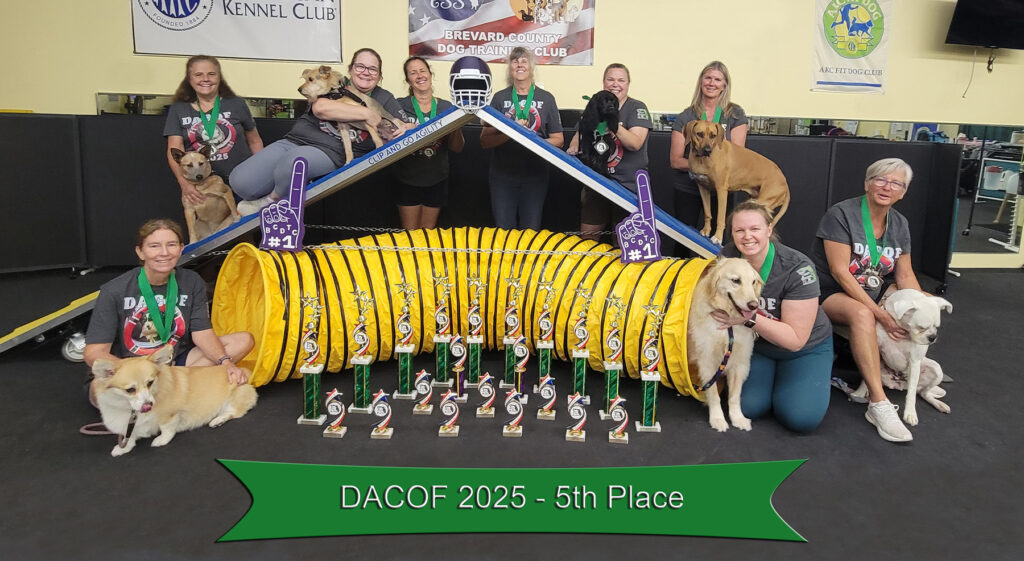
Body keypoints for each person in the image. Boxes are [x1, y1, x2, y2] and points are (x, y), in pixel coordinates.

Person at [81, 219, 253, 431]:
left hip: (172, 365)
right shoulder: (114, 290)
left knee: (242, 341)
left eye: (171, 245)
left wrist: (225, 362)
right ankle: (167, 400)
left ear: (181, 249)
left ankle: (167, 399)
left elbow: (202, 333)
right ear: (140, 252)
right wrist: (133, 373)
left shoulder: (192, 281)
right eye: (154, 246)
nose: (164, 252)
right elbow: (93, 352)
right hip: (129, 373)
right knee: (97, 392)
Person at [811, 157, 922, 443]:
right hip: (829, 293)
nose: (887, 187)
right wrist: (880, 313)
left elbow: (906, 275)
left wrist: (924, 311)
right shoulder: (841, 215)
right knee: (863, 314)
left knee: (920, 302)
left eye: (896, 183)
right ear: (867, 184)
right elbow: (840, 272)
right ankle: (878, 402)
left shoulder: (900, 224)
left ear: (903, 191)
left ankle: (907, 370)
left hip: (871, 293)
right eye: (880, 179)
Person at [229, 48, 406, 215]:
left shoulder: (384, 97)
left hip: (331, 151)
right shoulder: (335, 82)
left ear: (380, 75)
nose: (366, 72)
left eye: (373, 69)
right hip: (296, 139)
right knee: (241, 181)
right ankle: (284, 187)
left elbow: (406, 125)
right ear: (351, 69)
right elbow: (321, 108)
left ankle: (269, 200)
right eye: (360, 66)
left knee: (294, 163)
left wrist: (405, 127)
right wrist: (366, 113)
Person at [715, 201, 834, 433]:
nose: (747, 236)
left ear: (769, 230)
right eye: (739, 230)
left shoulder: (797, 268)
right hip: (757, 345)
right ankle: (772, 381)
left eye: (755, 229)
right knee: (747, 407)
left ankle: (804, 378)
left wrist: (747, 319)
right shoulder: (726, 258)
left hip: (804, 349)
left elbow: (794, 340)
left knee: (800, 418)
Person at [567, 63, 654, 240]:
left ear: (628, 84)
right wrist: (575, 144)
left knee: (624, 243)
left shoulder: (637, 108)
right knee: (587, 240)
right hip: (598, 183)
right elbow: (581, 130)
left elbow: (635, 144)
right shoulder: (595, 104)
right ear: (604, 82)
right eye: (611, 79)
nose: (615, 84)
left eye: (621, 80)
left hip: (627, 187)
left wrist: (611, 121)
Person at [479, 47, 563, 230]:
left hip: (535, 176)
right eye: (515, 61)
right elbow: (485, 141)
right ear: (510, 68)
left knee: (531, 231)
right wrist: (510, 132)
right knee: (504, 231)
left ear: (532, 67)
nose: (519, 64)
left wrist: (532, 142)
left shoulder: (547, 99)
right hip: (503, 176)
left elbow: (559, 140)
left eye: (524, 60)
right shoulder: (500, 98)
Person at [164, 55, 264, 208]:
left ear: (219, 77)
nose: (205, 79)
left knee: (245, 228)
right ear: (189, 79)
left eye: (211, 74)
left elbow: (255, 141)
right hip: (202, 186)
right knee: (211, 229)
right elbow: (174, 151)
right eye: (198, 75)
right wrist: (185, 185)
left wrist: (259, 174)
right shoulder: (179, 109)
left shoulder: (236, 104)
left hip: (242, 182)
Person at [669, 61, 749, 245]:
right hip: (688, 187)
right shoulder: (687, 116)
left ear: (724, 85)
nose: (712, 83)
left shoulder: (734, 114)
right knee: (683, 242)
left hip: (722, 188)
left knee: (721, 244)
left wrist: (712, 170)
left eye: (718, 79)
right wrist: (702, 169)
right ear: (701, 81)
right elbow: (675, 160)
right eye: (708, 78)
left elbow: (738, 155)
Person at [392, 56, 465, 229]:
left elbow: (457, 147)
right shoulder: (399, 105)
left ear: (430, 74)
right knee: (410, 235)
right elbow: (389, 138)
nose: (419, 75)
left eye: (422, 70)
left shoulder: (447, 107)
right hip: (407, 177)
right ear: (408, 80)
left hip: (436, 178)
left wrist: (455, 125)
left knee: (427, 235)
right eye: (413, 72)